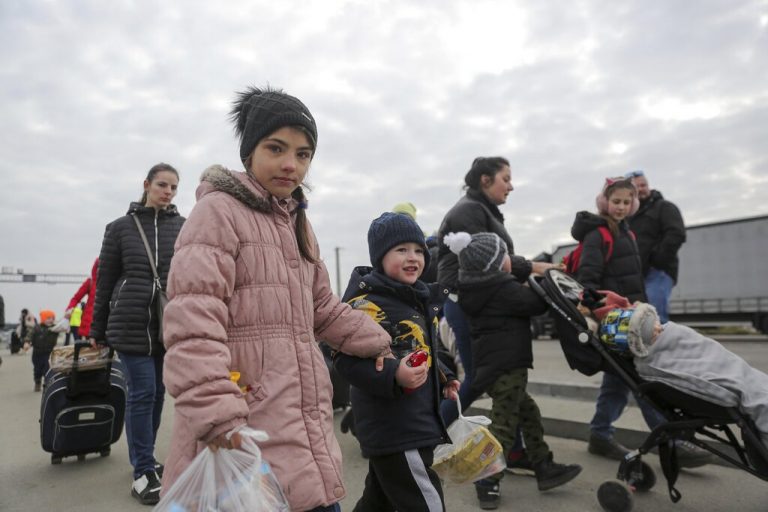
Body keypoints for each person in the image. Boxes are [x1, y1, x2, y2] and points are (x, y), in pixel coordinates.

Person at [160, 86, 392, 512]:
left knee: (315, 497)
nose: (291, 165)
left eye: (303, 155)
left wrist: (381, 340)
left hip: (302, 419)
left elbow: (321, 306)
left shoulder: (299, 223)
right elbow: (193, 323)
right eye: (276, 148)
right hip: (242, 424)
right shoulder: (218, 213)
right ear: (249, 151)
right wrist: (216, 412)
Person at [572, 177, 712, 468]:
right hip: (616, 321)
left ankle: (600, 433)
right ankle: (669, 440)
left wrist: (643, 307)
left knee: (618, 381)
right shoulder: (599, 235)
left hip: (632, 317)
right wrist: (602, 312)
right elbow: (588, 281)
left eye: (627, 202)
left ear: (633, 204)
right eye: (616, 201)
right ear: (604, 202)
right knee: (642, 379)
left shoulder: (628, 233)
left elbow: (635, 280)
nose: (621, 207)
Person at [445, 231, 582, 509]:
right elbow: (533, 304)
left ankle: (543, 466)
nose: (510, 258)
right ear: (495, 264)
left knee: (528, 413)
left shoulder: (479, 288)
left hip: (497, 366)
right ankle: (487, 481)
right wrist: (544, 282)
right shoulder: (501, 288)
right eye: (505, 254)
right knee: (504, 427)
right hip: (508, 367)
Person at [334, 212, 460, 512]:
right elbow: (345, 361)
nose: (413, 257)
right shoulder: (367, 306)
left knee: (378, 503)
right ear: (380, 257)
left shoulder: (414, 298)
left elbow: (418, 348)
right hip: (397, 428)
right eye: (401, 250)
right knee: (425, 503)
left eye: (418, 251)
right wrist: (394, 375)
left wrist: (442, 375)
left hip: (412, 420)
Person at [436, 156, 556, 471]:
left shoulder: (481, 210)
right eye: (506, 179)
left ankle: (513, 452)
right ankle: (428, 436)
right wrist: (532, 267)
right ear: (485, 180)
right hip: (466, 301)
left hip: (472, 299)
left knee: (504, 385)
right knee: (477, 378)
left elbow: (497, 258)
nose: (511, 186)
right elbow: (483, 260)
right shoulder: (469, 212)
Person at [89, 163, 184, 505]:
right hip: (129, 325)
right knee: (143, 392)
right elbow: (104, 282)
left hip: (167, 326)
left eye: (174, 187)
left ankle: (147, 459)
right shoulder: (119, 229)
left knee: (158, 393)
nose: (168, 192)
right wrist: (96, 329)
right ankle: (142, 469)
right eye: (162, 185)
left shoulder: (184, 228)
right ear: (146, 184)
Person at [586, 291, 768, 450]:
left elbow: (705, 350)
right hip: (737, 383)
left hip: (738, 373)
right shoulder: (651, 363)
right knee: (756, 397)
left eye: (654, 322)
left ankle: (600, 431)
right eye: (652, 330)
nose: (659, 328)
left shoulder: (670, 333)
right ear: (640, 341)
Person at [624, 170, 686, 323]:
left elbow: (676, 234)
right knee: (637, 320)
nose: (641, 189)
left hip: (657, 272)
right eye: (636, 187)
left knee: (654, 318)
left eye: (643, 185)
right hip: (636, 275)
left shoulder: (664, 207)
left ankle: (661, 346)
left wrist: (657, 260)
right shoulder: (628, 216)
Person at [64, 258, 99, 340]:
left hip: (108, 325)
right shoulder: (90, 282)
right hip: (90, 325)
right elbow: (76, 298)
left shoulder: (112, 282)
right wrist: (69, 309)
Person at [24, 310, 58, 391]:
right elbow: (30, 335)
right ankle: (37, 382)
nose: (51, 320)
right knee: (37, 370)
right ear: (43, 319)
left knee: (48, 370)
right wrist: (27, 342)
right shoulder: (37, 328)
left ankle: (47, 385)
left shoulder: (54, 328)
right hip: (37, 354)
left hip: (49, 353)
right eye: (48, 318)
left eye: (53, 318)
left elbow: (64, 327)